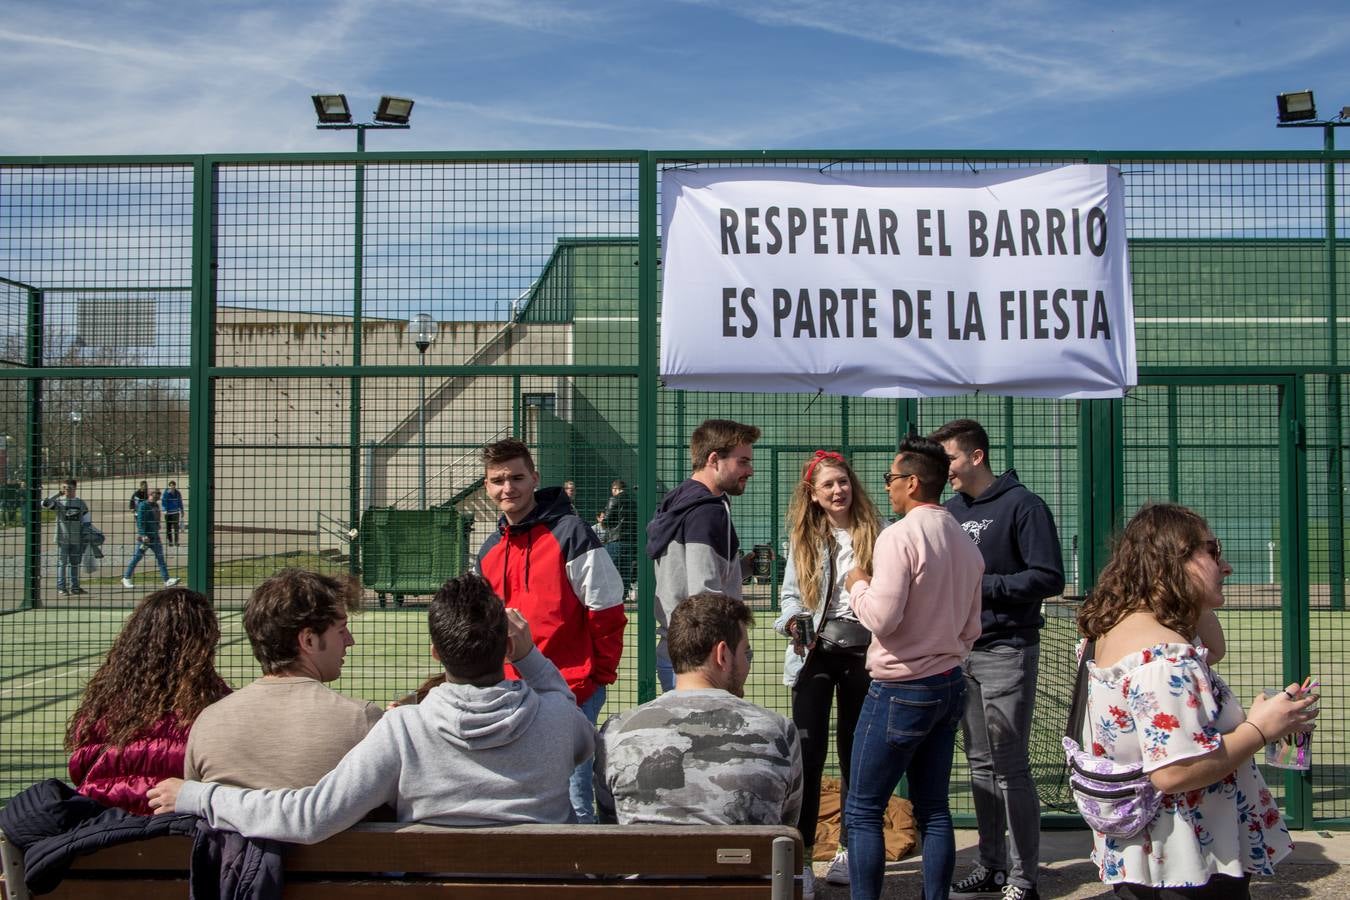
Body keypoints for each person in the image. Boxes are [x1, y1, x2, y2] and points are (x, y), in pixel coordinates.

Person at [148, 574, 594, 837]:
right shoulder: (558, 719)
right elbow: (565, 707)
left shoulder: (402, 730)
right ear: (506, 644)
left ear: (436, 654)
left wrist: (197, 795)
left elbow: (309, 817)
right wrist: (530, 656)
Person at [1075, 503, 1315, 899]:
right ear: (1175, 560)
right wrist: (1260, 728)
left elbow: (1214, 649)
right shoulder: (1167, 660)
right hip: (1189, 865)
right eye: (1213, 551)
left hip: (1151, 860)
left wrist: (1191, 596)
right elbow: (1176, 771)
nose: (1226, 566)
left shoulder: (1112, 630)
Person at [843, 436, 985, 900]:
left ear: (912, 481)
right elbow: (971, 628)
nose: (885, 488)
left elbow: (881, 618)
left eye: (890, 479)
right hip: (948, 682)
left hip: (900, 685)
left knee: (864, 809)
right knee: (934, 808)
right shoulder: (965, 543)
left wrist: (857, 584)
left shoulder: (899, 536)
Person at [931, 419, 1065, 900]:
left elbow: (1048, 577)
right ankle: (991, 866)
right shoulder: (949, 511)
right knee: (981, 765)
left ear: (976, 456)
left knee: (1011, 767)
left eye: (948, 457)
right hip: (961, 651)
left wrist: (981, 586)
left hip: (1007, 648)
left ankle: (1024, 878)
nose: (943, 468)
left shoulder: (1023, 506)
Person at [475, 438, 626, 824]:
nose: (508, 488)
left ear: (535, 479)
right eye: (497, 480)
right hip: (508, 694)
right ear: (486, 486)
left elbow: (606, 609)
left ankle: (585, 881)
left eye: (517, 477)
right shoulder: (489, 549)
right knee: (517, 795)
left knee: (575, 799)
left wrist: (598, 676)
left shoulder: (571, 533)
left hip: (573, 690)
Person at [595, 591, 803, 829]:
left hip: (649, 865)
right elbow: (787, 826)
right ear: (722, 655)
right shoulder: (779, 731)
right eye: (746, 652)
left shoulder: (616, 732)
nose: (747, 663)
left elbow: (611, 821)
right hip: (745, 865)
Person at [771, 450, 881, 888]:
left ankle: (849, 851)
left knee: (858, 756)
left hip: (864, 653)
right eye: (828, 485)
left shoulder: (879, 533)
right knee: (808, 755)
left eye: (843, 482)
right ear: (813, 496)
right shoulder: (803, 538)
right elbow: (790, 599)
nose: (839, 490)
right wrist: (794, 621)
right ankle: (804, 859)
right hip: (814, 653)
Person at [183, 568, 382, 788]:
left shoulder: (208, 721)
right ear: (308, 641)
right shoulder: (361, 719)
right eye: (341, 629)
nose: (350, 640)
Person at [66, 587, 231, 815]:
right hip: (175, 835)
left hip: (99, 830)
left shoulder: (101, 704)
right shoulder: (217, 706)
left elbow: (79, 767)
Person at [646, 419, 760, 692]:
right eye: (742, 461)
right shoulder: (707, 510)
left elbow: (686, 574)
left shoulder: (679, 500)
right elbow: (704, 595)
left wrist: (738, 570)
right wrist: (733, 653)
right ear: (714, 459)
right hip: (703, 661)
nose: (750, 470)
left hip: (676, 651)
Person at [121, 488, 178, 589]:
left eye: (160, 493)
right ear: (151, 494)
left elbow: (156, 517)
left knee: (160, 558)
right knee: (137, 557)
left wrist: (157, 525)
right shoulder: (143, 505)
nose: (159, 495)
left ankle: (166, 579)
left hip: (155, 536)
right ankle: (126, 577)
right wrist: (143, 535)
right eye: (158, 493)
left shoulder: (156, 505)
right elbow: (140, 521)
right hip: (145, 538)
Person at [42, 479, 89, 596]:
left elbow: (87, 520)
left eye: (69, 488)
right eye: (64, 488)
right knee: (62, 563)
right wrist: (58, 494)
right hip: (62, 538)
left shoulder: (80, 503)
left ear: (75, 489)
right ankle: (61, 587)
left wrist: (87, 535)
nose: (66, 490)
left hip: (77, 538)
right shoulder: (58, 503)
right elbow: (44, 503)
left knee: (74, 563)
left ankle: (75, 587)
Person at [602, 479, 637, 596]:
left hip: (615, 540)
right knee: (625, 573)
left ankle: (612, 600)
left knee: (611, 572)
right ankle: (623, 597)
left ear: (615, 489)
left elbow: (606, 520)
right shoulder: (633, 502)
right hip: (629, 542)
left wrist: (602, 520)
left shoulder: (614, 499)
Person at [161, 480, 184, 546]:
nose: (172, 487)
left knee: (176, 528)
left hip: (176, 512)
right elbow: (164, 502)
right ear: (169, 486)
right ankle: (170, 541)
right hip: (168, 513)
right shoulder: (166, 493)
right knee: (169, 528)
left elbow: (180, 501)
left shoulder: (177, 493)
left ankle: (176, 541)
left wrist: (181, 510)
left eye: (173, 485)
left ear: (175, 486)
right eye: (171, 486)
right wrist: (165, 510)